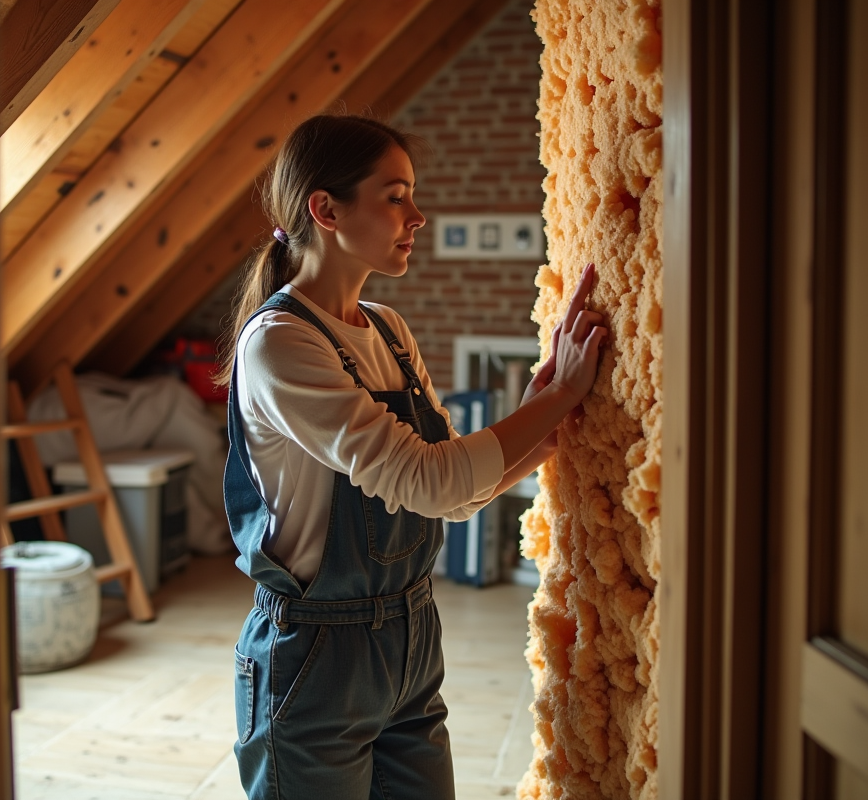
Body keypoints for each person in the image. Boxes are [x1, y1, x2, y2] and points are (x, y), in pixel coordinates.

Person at [217, 114, 607, 799]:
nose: (417, 215)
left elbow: (451, 498)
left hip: (410, 636)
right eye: (395, 195)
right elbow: (431, 480)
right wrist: (560, 394)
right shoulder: (280, 344)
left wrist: (549, 421)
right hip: (315, 656)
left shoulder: (390, 331)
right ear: (326, 209)